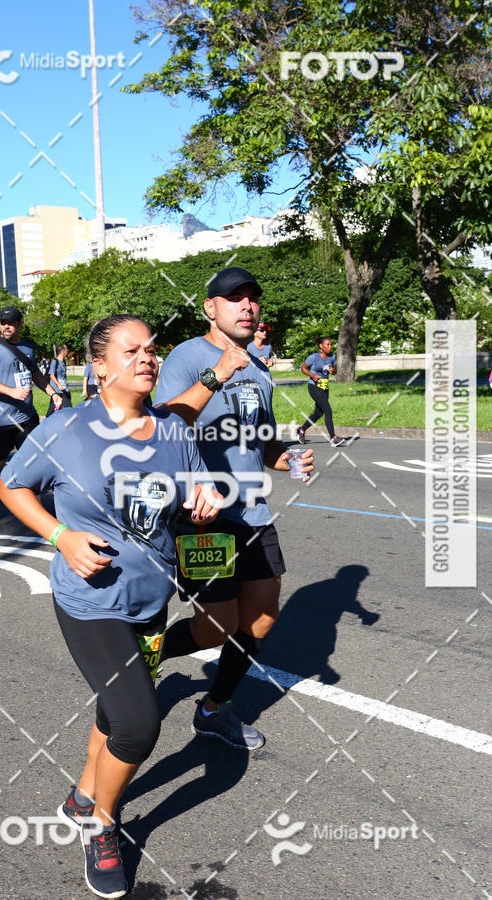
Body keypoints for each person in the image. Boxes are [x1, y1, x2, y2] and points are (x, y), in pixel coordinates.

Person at [0, 314, 221, 898]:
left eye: (152, 349)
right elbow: (12, 486)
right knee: (138, 722)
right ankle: (102, 824)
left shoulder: (173, 431)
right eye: (132, 349)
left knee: (113, 708)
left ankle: (80, 795)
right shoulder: (66, 429)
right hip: (90, 600)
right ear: (98, 366)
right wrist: (60, 537)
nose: (147, 358)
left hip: (152, 600)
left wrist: (205, 499)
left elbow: (197, 489)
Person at [154, 266, 314, 750]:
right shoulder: (187, 356)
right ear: (211, 308)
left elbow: (260, 440)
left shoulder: (260, 369)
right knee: (214, 629)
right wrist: (217, 372)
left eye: (252, 298)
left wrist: (285, 457)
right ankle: (145, 653)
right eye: (234, 298)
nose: (247, 306)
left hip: (253, 511)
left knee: (261, 618)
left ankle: (213, 709)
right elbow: (166, 427)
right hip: (205, 517)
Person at [0, 305, 63, 525]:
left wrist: (53, 393)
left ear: (20, 324)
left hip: (26, 416)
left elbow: (36, 376)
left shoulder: (27, 348)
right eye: (3, 322)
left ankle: (36, 509)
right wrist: (10, 391)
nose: (6, 326)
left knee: (36, 460)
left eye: (11, 322)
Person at [297, 336, 345, 448]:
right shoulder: (314, 357)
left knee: (318, 413)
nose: (330, 346)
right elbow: (303, 368)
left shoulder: (332, 357)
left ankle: (302, 429)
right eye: (327, 344)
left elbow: (334, 371)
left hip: (325, 387)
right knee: (328, 410)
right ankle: (333, 438)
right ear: (321, 346)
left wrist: (333, 371)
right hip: (314, 386)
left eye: (331, 344)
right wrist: (312, 375)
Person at [46, 344, 72, 416]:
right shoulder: (55, 361)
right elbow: (51, 375)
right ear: (62, 351)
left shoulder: (64, 361)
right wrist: (59, 385)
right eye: (66, 349)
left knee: (68, 407)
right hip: (57, 390)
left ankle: (69, 421)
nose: (67, 351)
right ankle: (47, 422)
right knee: (52, 409)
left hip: (65, 389)